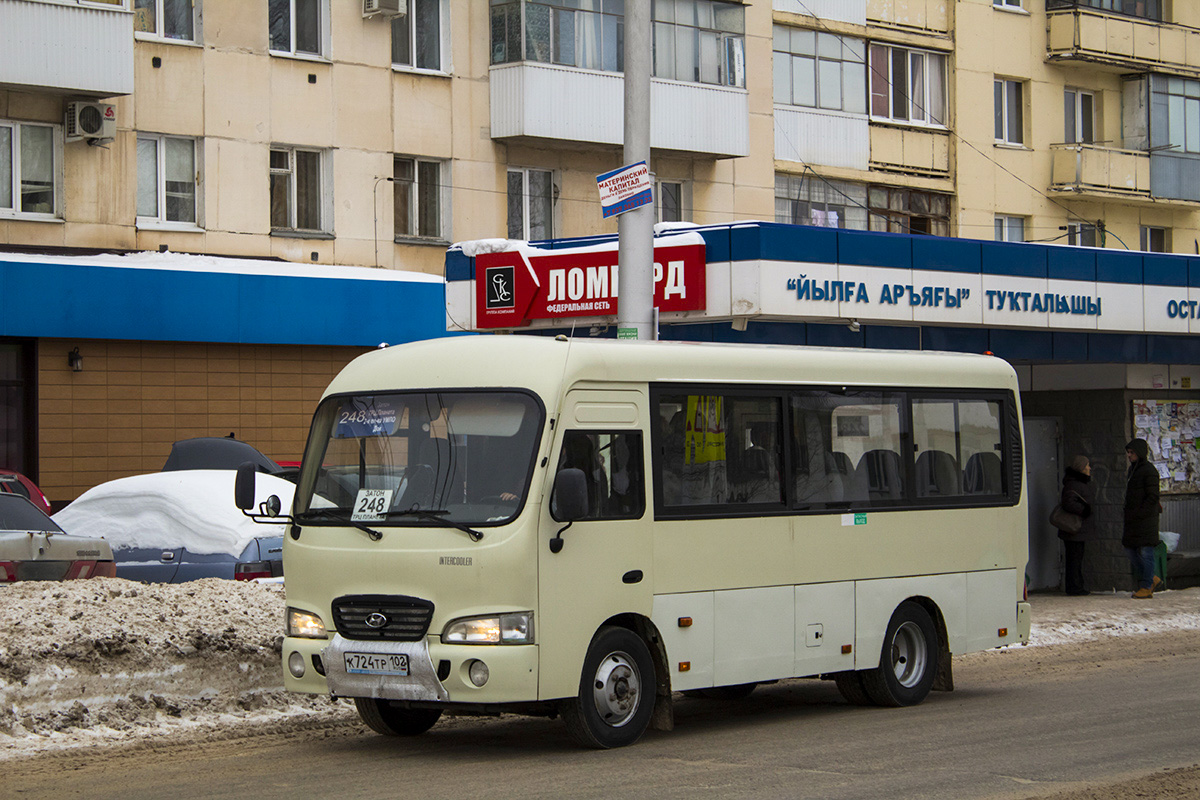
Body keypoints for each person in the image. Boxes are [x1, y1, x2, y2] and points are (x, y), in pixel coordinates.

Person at [1123, 438, 1162, 599]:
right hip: (1134, 518)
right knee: (1130, 549)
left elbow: (1153, 495)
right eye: (1128, 453)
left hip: (1146, 519)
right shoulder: (1133, 470)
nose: (1129, 456)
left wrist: (1141, 512)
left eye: (1132, 453)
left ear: (1139, 453)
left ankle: (1146, 585)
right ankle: (1151, 577)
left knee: (1146, 551)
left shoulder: (1149, 470)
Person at [1057, 455, 1096, 596]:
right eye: (1087, 465)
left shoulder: (1076, 482)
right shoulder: (1074, 484)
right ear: (1081, 468)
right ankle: (1074, 587)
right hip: (1074, 528)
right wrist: (1085, 510)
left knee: (1076, 558)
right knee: (1074, 559)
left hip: (1077, 529)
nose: (1089, 468)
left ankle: (1076, 585)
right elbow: (1068, 503)